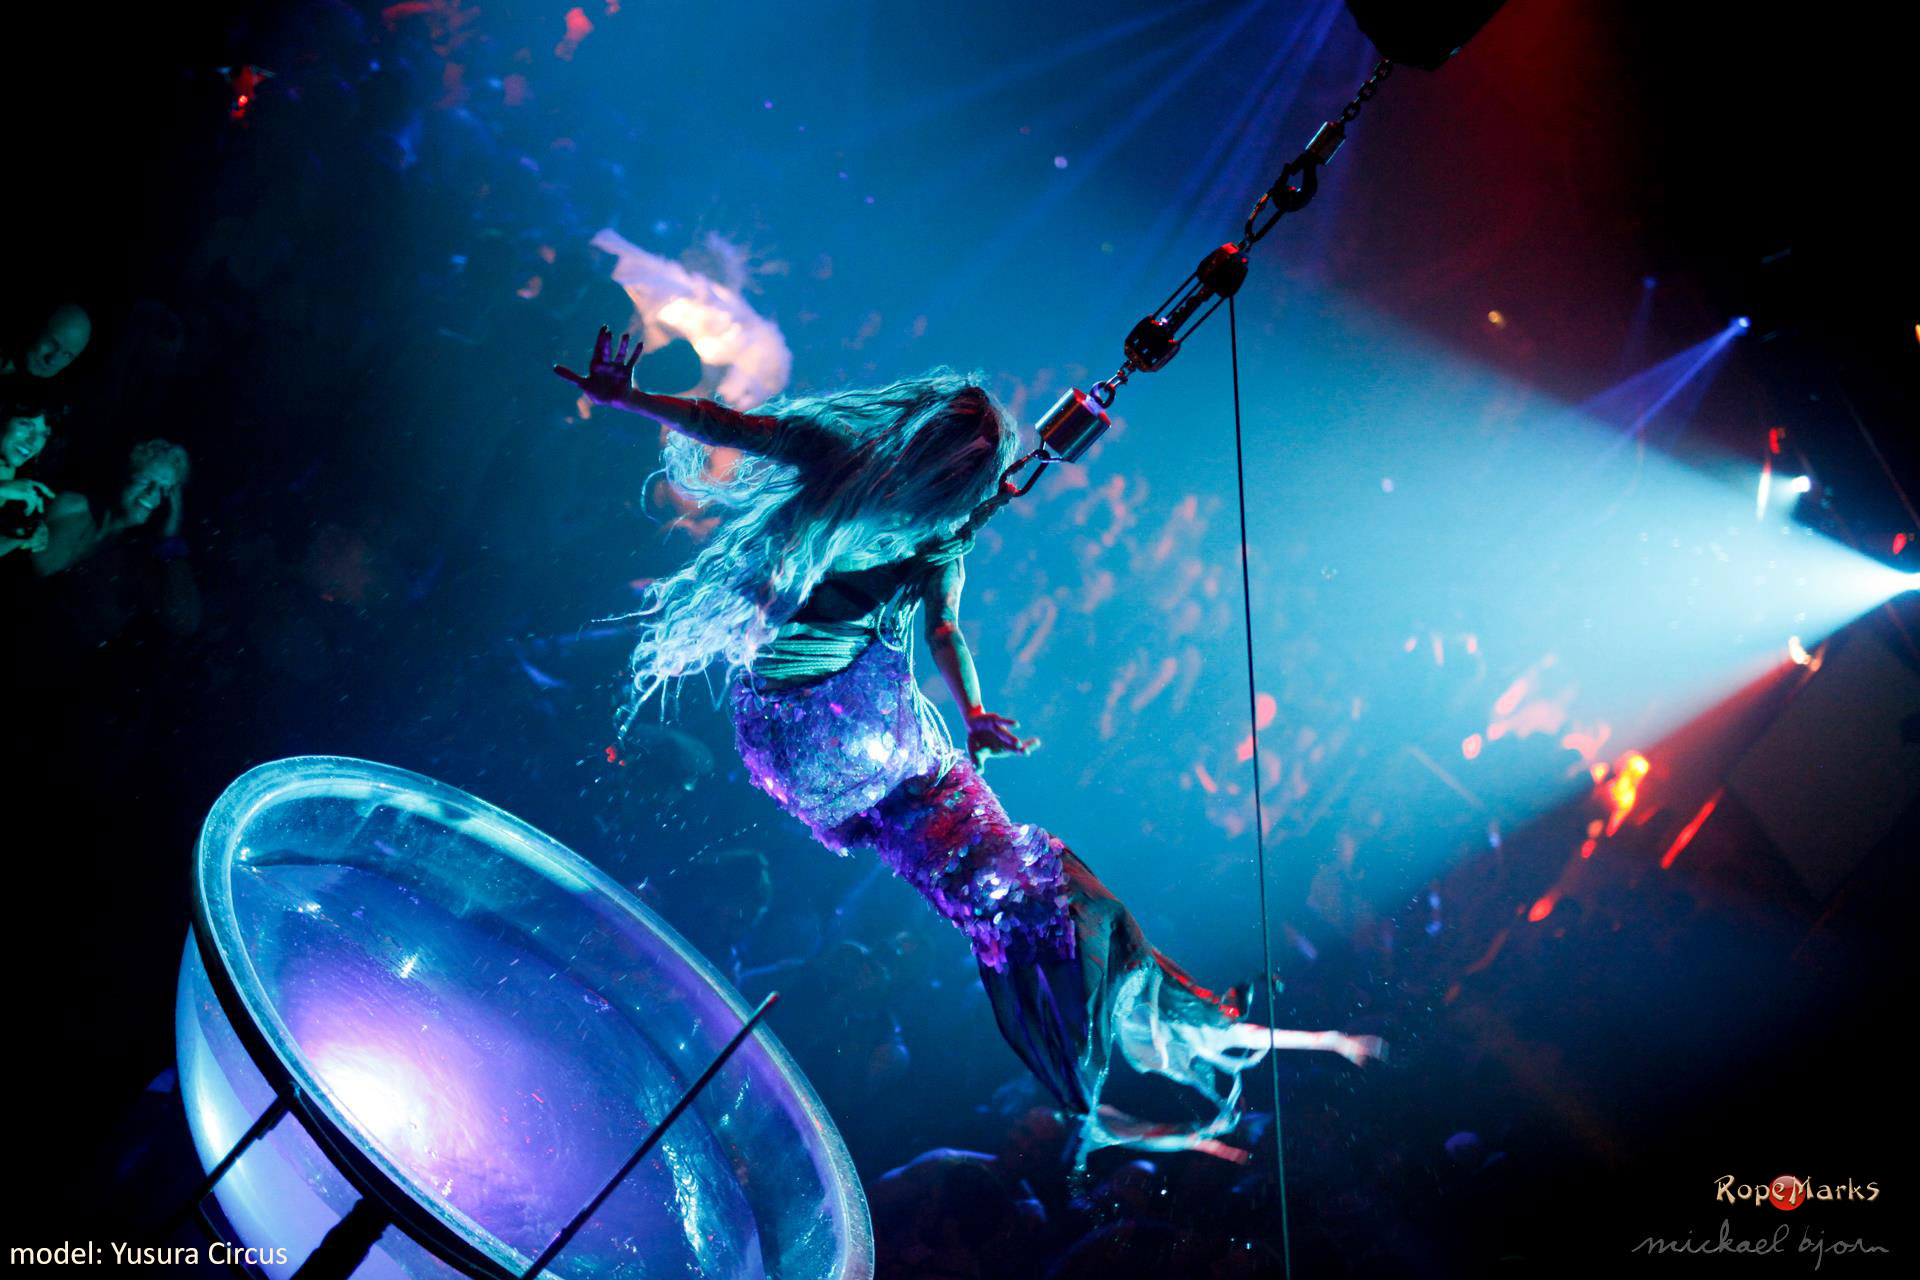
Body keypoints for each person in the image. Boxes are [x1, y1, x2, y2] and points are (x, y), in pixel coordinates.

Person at [556, 328, 1382, 1162]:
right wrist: (629, 398)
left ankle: (1150, 1032)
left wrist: (976, 711)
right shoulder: (862, 471)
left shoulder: (926, 516)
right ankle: (1141, 1043)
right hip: (830, 727)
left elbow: (940, 623)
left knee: (1002, 876)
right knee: (1002, 877)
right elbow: (734, 429)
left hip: (837, 724)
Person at [0, 400, 55, 558]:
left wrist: (24, 534)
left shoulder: (28, 484)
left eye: (43, 434)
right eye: (25, 424)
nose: (33, 440)